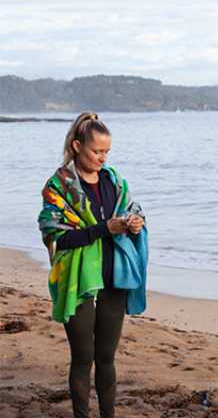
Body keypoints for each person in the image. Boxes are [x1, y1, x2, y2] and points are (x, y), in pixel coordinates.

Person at [38, 112, 148, 418]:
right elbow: (58, 237)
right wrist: (104, 229)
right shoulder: (58, 187)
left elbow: (132, 211)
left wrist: (135, 223)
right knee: (83, 357)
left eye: (107, 151)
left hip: (114, 278)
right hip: (78, 282)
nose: (103, 158)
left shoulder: (115, 181)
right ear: (77, 146)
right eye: (96, 151)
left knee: (106, 358)